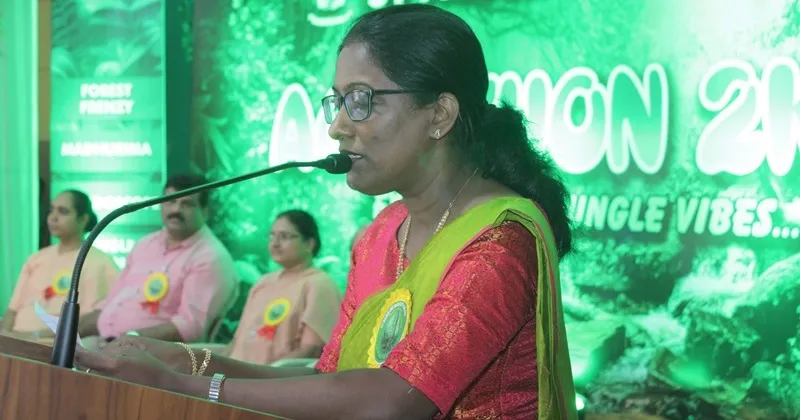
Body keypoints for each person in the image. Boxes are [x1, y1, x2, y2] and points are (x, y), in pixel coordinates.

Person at [75, 5, 577, 419]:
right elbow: (330, 380)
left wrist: (184, 386)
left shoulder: (500, 240)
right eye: (337, 102)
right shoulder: (381, 235)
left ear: (439, 115)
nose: (337, 126)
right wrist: (187, 361)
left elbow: (390, 401)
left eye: (360, 101)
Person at [77, 174, 238, 343]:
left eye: (187, 204)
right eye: (170, 201)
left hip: (149, 353)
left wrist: (129, 340)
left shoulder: (211, 258)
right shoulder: (145, 245)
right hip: (104, 343)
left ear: (205, 212)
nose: (176, 210)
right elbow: (109, 304)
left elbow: (190, 328)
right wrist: (69, 330)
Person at [209, 210, 341, 365]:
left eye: (284, 236)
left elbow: (311, 350)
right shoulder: (264, 282)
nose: (275, 243)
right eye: (272, 236)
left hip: (274, 377)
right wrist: (216, 368)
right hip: (236, 373)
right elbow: (237, 341)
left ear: (309, 244)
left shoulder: (320, 285)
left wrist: (263, 375)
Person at [0, 190, 119, 343]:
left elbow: (95, 320)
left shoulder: (101, 262)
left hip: (57, 344)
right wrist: (6, 338)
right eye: (52, 210)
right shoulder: (36, 258)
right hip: (16, 342)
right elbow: (12, 310)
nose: (53, 217)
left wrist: (32, 337)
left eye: (63, 211)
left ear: (83, 219)